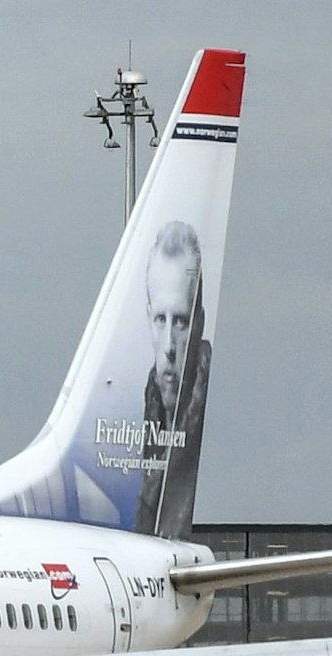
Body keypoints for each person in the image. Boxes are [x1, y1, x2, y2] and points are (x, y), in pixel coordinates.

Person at [133, 221, 211, 538]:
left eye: (180, 322)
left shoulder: (209, 422)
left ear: (199, 323)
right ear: (148, 317)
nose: (168, 347)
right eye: (160, 320)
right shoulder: (146, 418)